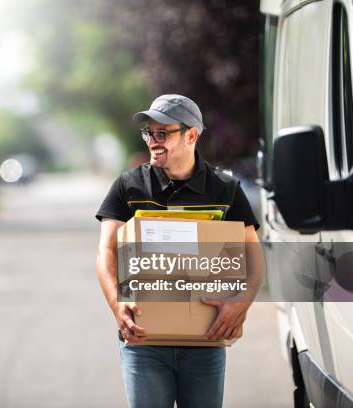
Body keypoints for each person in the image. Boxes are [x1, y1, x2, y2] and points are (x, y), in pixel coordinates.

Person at [95, 94, 264, 408]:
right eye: (149, 133)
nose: (153, 141)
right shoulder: (128, 186)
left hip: (205, 343)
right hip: (143, 342)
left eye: (163, 133)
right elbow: (106, 251)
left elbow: (253, 256)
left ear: (191, 135)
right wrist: (119, 306)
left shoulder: (225, 190)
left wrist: (241, 301)